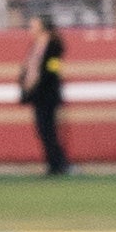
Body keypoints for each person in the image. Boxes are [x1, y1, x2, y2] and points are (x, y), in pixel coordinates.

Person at [20, 14, 69, 173]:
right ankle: (54, 162)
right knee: (42, 129)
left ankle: (57, 164)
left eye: (34, 25)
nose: (31, 28)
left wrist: (40, 80)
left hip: (48, 93)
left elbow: (53, 69)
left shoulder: (54, 45)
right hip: (38, 94)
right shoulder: (35, 45)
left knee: (48, 130)